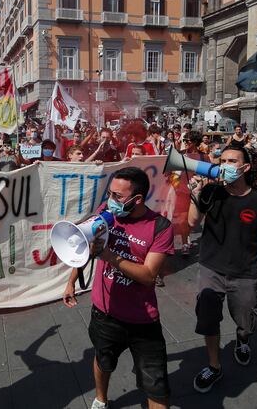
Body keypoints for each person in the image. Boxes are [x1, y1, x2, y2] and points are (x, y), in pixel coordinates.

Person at [62, 167, 174, 409]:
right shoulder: (105, 212)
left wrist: (108, 255)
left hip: (143, 320)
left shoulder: (160, 227)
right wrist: (71, 281)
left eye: (117, 196)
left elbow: (148, 276)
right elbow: (84, 245)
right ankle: (100, 398)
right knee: (103, 361)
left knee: (157, 385)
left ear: (138, 199)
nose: (110, 201)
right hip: (105, 312)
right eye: (110, 194)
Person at [188, 146, 257, 393]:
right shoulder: (211, 191)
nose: (225, 164)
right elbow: (192, 222)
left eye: (232, 161)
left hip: (245, 271)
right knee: (208, 318)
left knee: (247, 320)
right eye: (223, 160)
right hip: (211, 266)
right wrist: (195, 195)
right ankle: (214, 365)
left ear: (245, 167)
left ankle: (242, 338)